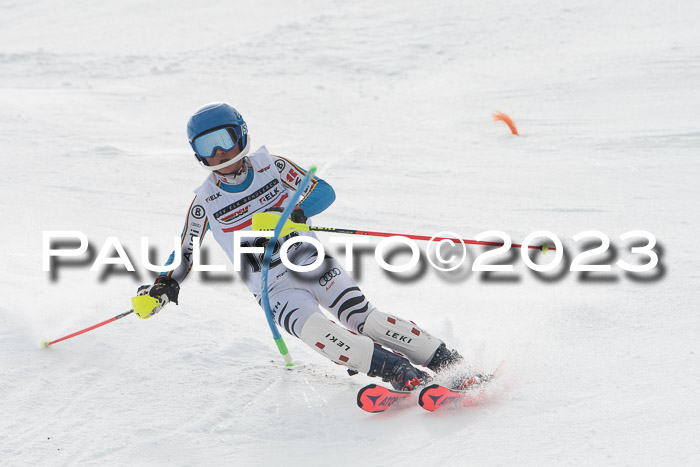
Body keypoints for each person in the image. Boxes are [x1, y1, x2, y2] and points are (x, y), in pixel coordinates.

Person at [135, 102, 467, 391]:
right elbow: (185, 251)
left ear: (241, 135)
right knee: (323, 335)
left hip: (312, 264)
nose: (220, 153)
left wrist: (297, 211)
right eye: (208, 146)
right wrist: (164, 284)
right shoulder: (205, 201)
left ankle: (449, 363)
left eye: (225, 139)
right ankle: (399, 373)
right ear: (197, 152)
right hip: (273, 290)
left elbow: (323, 191)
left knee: (366, 320)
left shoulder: (273, 167)